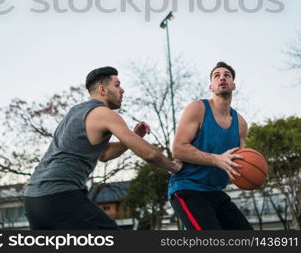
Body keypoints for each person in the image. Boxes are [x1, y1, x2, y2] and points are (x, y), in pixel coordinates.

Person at [24, 66, 182, 230]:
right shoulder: (104, 113)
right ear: (102, 89)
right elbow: (150, 154)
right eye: (117, 85)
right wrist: (173, 167)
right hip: (59, 195)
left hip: (34, 199)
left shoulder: (75, 111)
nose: (122, 90)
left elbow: (104, 154)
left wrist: (134, 136)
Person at [168, 61, 253, 230]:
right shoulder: (198, 109)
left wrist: (249, 175)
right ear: (211, 87)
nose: (222, 78)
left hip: (216, 192)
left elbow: (238, 165)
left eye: (227, 75)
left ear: (233, 85)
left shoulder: (241, 123)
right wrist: (217, 160)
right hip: (187, 188)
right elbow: (178, 148)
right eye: (217, 76)